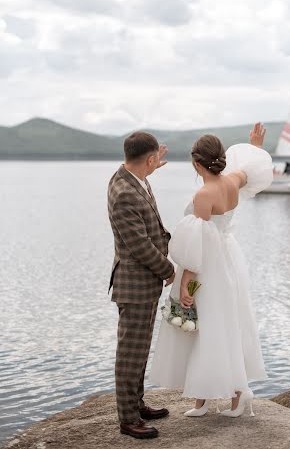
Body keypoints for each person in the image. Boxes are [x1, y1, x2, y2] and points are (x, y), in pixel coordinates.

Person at [150, 123, 273, 418]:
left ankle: (236, 396)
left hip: (208, 265)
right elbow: (252, 168)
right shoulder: (234, 180)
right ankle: (204, 399)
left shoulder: (205, 194)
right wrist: (254, 146)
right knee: (225, 324)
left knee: (209, 328)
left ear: (196, 163)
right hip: (228, 258)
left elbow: (196, 246)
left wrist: (185, 286)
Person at [107, 132, 175, 440]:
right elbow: (140, 245)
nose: (155, 164)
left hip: (143, 284)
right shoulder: (125, 193)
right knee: (130, 354)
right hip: (134, 284)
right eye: (153, 161)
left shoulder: (130, 178)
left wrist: (149, 169)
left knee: (139, 350)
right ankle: (128, 419)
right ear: (148, 159)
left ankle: (137, 403)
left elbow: (141, 183)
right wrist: (168, 269)